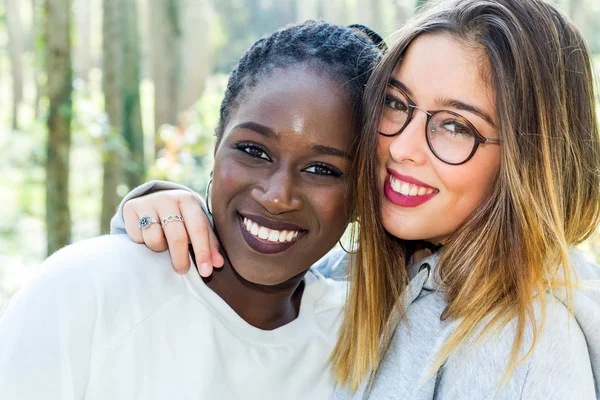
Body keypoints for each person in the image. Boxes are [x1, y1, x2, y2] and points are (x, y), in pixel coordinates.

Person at [116, 0, 600, 398]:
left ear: (531, 160)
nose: (401, 148)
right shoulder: (366, 279)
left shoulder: (529, 348)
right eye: (396, 103)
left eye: (456, 126)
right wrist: (157, 219)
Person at [0, 21, 384, 399]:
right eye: (253, 150)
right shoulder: (87, 290)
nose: (277, 196)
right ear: (216, 146)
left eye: (322, 170)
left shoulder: (364, 345)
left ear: (362, 197)